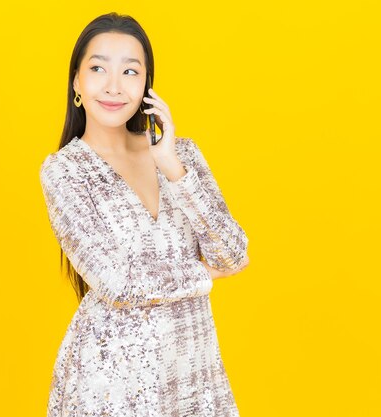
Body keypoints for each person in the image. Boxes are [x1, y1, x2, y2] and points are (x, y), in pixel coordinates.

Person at [39, 12, 250, 417]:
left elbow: (234, 254)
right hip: (110, 384)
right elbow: (116, 284)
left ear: (146, 85)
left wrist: (171, 166)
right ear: (77, 83)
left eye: (130, 71)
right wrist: (201, 274)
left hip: (193, 376)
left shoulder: (181, 155)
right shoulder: (64, 171)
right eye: (98, 68)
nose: (114, 86)